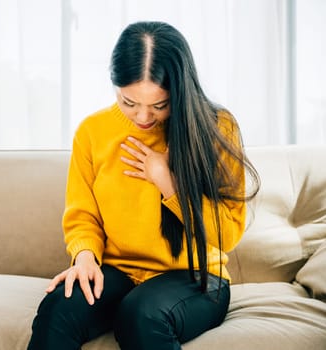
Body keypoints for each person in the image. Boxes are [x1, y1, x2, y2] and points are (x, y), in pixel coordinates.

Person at [27, 21, 260, 350]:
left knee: (140, 315)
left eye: (159, 106)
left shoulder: (218, 127)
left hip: (197, 278)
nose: (142, 118)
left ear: (179, 91)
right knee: (58, 309)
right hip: (120, 271)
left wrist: (168, 183)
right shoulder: (93, 132)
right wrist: (84, 257)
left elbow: (229, 232)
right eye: (129, 102)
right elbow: (83, 214)